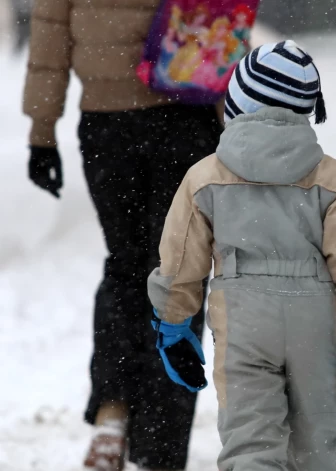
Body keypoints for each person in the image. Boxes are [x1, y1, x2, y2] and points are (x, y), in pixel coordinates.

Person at [146, 40, 336, 471]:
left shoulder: (205, 178)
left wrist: (172, 325)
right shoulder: (333, 179)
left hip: (243, 320)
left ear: (237, 104)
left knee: (250, 442)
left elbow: (180, 260)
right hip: (313, 323)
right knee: (315, 445)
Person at [23, 0, 223, 469]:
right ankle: (159, 449)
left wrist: (42, 131)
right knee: (178, 277)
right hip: (184, 112)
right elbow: (221, 20)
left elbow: (50, 33)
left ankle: (112, 416)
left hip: (108, 123)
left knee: (127, 266)